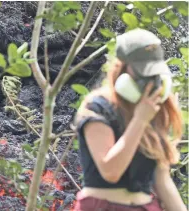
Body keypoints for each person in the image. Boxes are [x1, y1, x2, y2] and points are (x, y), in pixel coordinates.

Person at [72, 28, 187, 211]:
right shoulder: (97, 107)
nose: (149, 79)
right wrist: (140, 120)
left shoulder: (153, 109)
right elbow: (111, 172)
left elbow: (162, 180)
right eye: (143, 72)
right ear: (122, 68)